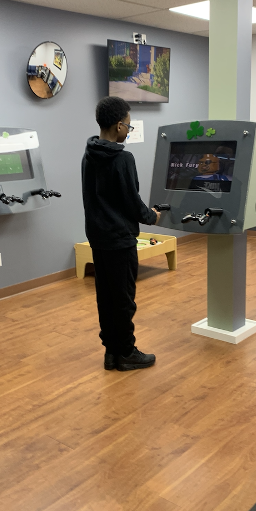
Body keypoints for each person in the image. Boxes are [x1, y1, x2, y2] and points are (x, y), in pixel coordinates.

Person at [81, 96, 160, 372]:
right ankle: (126, 352)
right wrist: (152, 215)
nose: (129, 129)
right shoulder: (123, 158)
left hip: (98, 238)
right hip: (120, 239)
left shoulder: (88, 154)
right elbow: (132, 202)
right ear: (118, 126)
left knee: (106, 297)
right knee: (124, 298)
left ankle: (111, 353)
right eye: (129, 125)